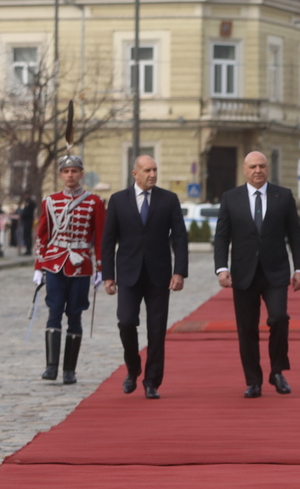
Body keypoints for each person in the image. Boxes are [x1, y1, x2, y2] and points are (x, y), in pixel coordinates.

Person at [213, 151, 300, 398]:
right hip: (243, 273)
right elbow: (222, 236)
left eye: (262, 166)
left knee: (278, 318)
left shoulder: (283, 196)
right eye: (253, 166)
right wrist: (221, 268)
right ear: (245, 170)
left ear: (268, 169)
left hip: (275, 272)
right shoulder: (231, 198)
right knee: (247, 329)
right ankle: (253, 380)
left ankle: (277, 371)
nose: (258, 170)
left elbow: (296, 235)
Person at [101, 156, 189, 400]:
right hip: (128, 274)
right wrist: (107, 275)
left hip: (159, 275)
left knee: (156, 330)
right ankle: (133, 367)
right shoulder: (118, 200)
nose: (152, 174)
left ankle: (152, 381)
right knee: (126, 322)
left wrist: (179, 271)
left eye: (155, 170)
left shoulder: (168, 199)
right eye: (147, 170)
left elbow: (180, 237)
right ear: (135, 174)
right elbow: (108, 241)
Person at [33, 154, 106, 384]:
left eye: (74, 171)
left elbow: (101, 237)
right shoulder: (50, 201)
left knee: (75, 314)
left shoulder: (94, 202)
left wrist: (100, 268)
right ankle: (51, 367)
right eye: (66, 171)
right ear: (61, 175)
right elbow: (42, 236)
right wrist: (39, 266)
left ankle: (69, 370)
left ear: (81, 174)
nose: (70, 175)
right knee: (54, 311)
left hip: (81, 265)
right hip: (55, 263)